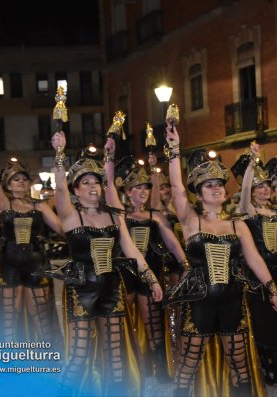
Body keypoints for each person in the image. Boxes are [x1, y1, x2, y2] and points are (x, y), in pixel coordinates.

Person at [164, 124, 277, 397]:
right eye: (209, 185)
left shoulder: (236, 225)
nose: (216, 188)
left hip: (232, 298)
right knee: (189, 362)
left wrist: (272, 289)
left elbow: (254, 259)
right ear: (199, 191)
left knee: (239, 361)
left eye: (219, 184)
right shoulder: (191, 221)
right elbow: (175, 186)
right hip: (199, 301)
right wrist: (173, 149)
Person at [50, 131, 163, 396]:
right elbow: (58, 189)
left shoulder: (114, 217)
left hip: (112, 288)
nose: (93, 187)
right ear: (75, 189)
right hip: (81, 289)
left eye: (97, 182)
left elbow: (132, 250)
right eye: (85, 182)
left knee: (115, 356)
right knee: (79, 354)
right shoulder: (70, 215)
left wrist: (152, 279)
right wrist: (59, 154)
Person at [104, 139, 187, 382]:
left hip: (148, 273)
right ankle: (125, 369)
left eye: (145, 187)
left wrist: (186, 265)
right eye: (137, 188)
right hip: (123, 273)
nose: (142, 191)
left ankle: (161, 370)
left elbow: (172, 242)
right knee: (119, 324)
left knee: (153, 323)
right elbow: (108, 185)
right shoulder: (118, 213)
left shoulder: (155, 215)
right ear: (127, 191)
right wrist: (109, 157)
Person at [0, 136, 63, 343]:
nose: (21, 181)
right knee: (9, 316)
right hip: (9, 263)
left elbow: (62, 229)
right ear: (8, 185)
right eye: (15, 179)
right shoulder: (4, 205)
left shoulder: (40, 206)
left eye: (24, 178)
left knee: (42, 316)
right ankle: (8, 360)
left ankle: (49, 359)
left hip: (37, 263)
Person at [236, 142, 277, 268]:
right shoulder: (249, 210)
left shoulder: (276, 212)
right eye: (260, 187)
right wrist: (251, 164)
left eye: (267, 186)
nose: (266, 189)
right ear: (253, 193)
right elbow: (245, 189)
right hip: (257, 264)